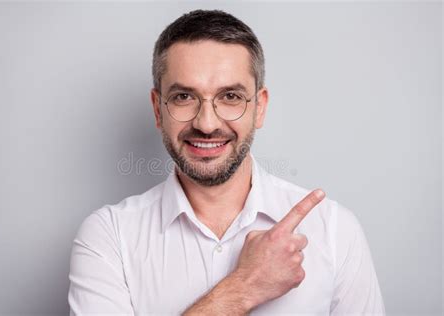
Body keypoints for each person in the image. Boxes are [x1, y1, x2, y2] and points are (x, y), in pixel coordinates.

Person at [68, 9, 386, 315]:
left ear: (259, 108)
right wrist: (245, 287)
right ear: (157, 109)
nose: (207, 124)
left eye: (230, 96)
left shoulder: (333, 230)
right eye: (183, 97)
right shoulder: (110, 237)